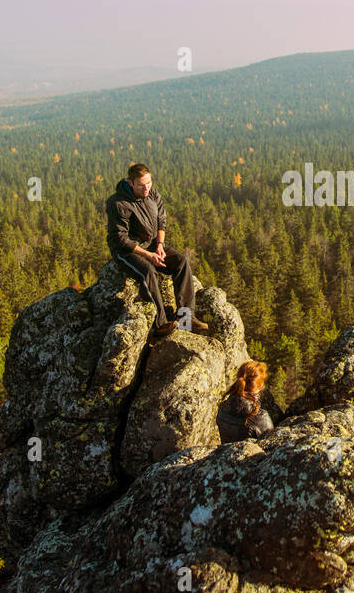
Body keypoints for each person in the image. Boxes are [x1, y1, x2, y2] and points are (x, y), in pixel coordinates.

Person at [105, 163, 208, 338]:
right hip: (126, 250)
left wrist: (160, 245)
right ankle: (160, 325)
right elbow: (121, 238)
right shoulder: (118, 203)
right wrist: (148, 255)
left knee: (181, 262)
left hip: (152, 243)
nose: (146, 188)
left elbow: (161, 219)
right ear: (130, 183)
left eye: (149, 183)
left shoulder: (152, 193)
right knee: (148, 272)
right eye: (141, 185)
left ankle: (185, 319)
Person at [217, 361, 275, 442]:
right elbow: (272, 444)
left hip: (226, 453)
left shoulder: (223, 407)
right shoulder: (260, 417)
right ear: (260, 386)